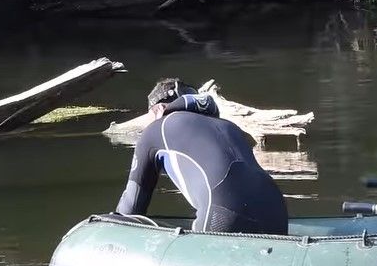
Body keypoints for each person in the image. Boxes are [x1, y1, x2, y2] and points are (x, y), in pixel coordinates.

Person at [115, 78, 289, 234]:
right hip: (277, 212)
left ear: (158, 108)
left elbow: (130, 208)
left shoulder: (156, 129)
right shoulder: (230, 126)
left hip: (222, 216)